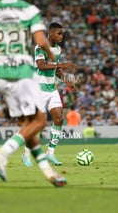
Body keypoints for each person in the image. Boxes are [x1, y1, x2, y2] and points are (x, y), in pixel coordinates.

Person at [0, 0, 66, 187]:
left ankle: (48, 173)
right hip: (23, 72)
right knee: (41, 121)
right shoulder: (29, 10)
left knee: (27, 125)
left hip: (2, 74)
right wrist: (53, 55)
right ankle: (3, 152)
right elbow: (42, 41)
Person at [21, 22, 75, 167]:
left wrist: (67, 81)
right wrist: (62, 65)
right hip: (39, 89)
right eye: (58, 33)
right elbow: (41, 65)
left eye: (62, 33)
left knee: (59, 118)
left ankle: (50, 153)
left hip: (51, 89)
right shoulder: (40, 46)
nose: (61, 36)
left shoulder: (57, 49)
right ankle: (26, 155)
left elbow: (55, 70)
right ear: (50, 33)